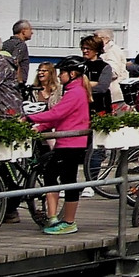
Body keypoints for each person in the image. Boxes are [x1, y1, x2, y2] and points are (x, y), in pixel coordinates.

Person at [27, 57, 92, 236]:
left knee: (66, 180)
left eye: (62, 72)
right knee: (54, 176)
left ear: (72, 74)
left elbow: (57, 112)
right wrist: (40, 127)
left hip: (71, 143)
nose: (60, 75)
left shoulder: (76, 92)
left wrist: (30, 117)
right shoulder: (73, 90)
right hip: (67, 141)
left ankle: (68, 221)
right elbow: (60, 118)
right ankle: (54, 217)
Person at [78, 33, 120, 114]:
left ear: (96, 50)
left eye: (88, 49)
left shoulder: (105, 67)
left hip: (100, 107)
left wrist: (83, 86)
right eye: (83, 48)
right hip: (81, 106)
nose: (84, 51)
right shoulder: (79, 65)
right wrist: (91, 84)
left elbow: (102, 88)